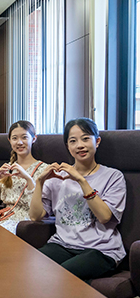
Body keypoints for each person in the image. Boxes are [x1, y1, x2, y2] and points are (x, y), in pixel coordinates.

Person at [29, 118, 126, 282]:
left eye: (86, 138)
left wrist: (81, 181)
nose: (80, 145)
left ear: (97, 141)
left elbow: (105, 217)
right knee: (29, 267)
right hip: (62, 244)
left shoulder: (114, 177)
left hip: (101, 249)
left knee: (61, 276)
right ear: (68, 146)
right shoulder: (57, 177)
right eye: (73, 141)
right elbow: (35, 216)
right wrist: (39, 182)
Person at [0, 120, 47, 234]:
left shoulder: (44, 170)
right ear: (9, 141)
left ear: (33, 139)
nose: (19, 142)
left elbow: (41, 209)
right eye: (15, 138)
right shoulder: (7, 169)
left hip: (26, 225)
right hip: (4, 219)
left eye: (24, 137)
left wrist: (28, 179)